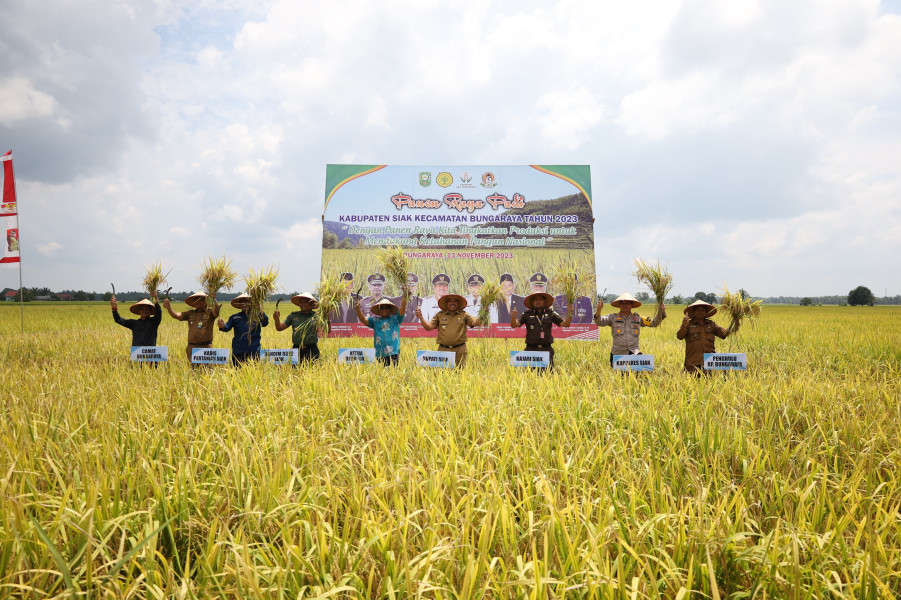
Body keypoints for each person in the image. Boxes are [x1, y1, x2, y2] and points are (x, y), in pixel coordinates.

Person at [593, 292, 665, 366]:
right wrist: (598, 310)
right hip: (617, 354)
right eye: (622, 303)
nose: (625, 305)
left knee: (635, 376)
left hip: (634, 354)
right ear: (619, 305)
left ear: (632, 305)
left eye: (628, 303)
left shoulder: (638, 318)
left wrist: (661, 310)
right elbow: (599, 322)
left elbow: (654, 322)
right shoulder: (612, 317)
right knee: (619, 377)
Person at [510, 292, 573, 370]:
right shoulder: (527, 314)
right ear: (532, 302)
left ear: (544, 301)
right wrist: (513, 317)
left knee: (547, 376)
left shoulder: (551, 314)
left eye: (540, 299)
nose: (538, 301)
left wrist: (570, 313)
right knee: (530, 376)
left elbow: (566, 324)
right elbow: (514, 325)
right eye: (535, 299)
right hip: (531, 349)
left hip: (546, 349)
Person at [416, 293, 481, 368]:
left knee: (459, 373)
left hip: (459, 350)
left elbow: (475, 323)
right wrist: (421, 318)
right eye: (450, 301)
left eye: (455, 301)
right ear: (446, 303)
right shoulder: (439, 315)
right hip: (443, 350)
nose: (452, 303)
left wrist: (484, 313)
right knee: (443, 374)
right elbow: (429, 327)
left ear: (458, 303)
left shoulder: (464, 315)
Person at [676, 299, 731, 375]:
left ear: (706, 312)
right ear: (694, 312)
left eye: (703, 310)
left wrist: (734, 324)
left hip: (709, 364)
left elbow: (724, 334)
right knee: (692, 385)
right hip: (692, 364)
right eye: (698, 310)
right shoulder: (688, 324)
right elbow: (679, 336)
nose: (700, 312)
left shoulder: (711, 324)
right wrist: (684, 325)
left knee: (709, 383)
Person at [164, 291, 220, 363]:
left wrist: (214, 300)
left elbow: (216, 311)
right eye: (196, 300)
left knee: (207, 370)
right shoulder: (190, 313)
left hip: (206, 347)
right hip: (192, 347)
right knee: (193, 370)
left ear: (207, 301)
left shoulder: (210, 313)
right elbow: (176, 315)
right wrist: (169, 307)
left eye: (201, 300)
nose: (198, 302)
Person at [217, 292, 269, 365]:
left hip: (254, 351)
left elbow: (265, 323)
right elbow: (226, 327)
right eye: (242, 301)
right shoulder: (234, 317)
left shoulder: (258, 316)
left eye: (247, 301)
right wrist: (222, 326)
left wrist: (260, 311)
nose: (244, 303)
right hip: (238, 352)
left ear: (252, 303)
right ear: (239, 304)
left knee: (254, 374)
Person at [356, 293, 407, 366]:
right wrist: (358, 310)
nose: (384, 310)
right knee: (383, 373)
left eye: (386, 308)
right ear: (379, 310)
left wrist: (404, 297)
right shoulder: (375, 321)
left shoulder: (396, 319)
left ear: (390, 309)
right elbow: (363, 319)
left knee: (394, 372)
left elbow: (402, 309)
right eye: (382, 308)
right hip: (380, 353)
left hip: (394, 352)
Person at [274, 292, 324, 364]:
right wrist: (277, 320)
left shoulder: (316, 316)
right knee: (295, 372)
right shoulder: (293, 316)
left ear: (311, 304)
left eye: (305, 302)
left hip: (312, 349)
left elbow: (327, 330)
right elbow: (279, 328)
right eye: (301, 302)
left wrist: (327, 319)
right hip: (296, 349)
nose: (302, 304)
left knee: (314, 372)